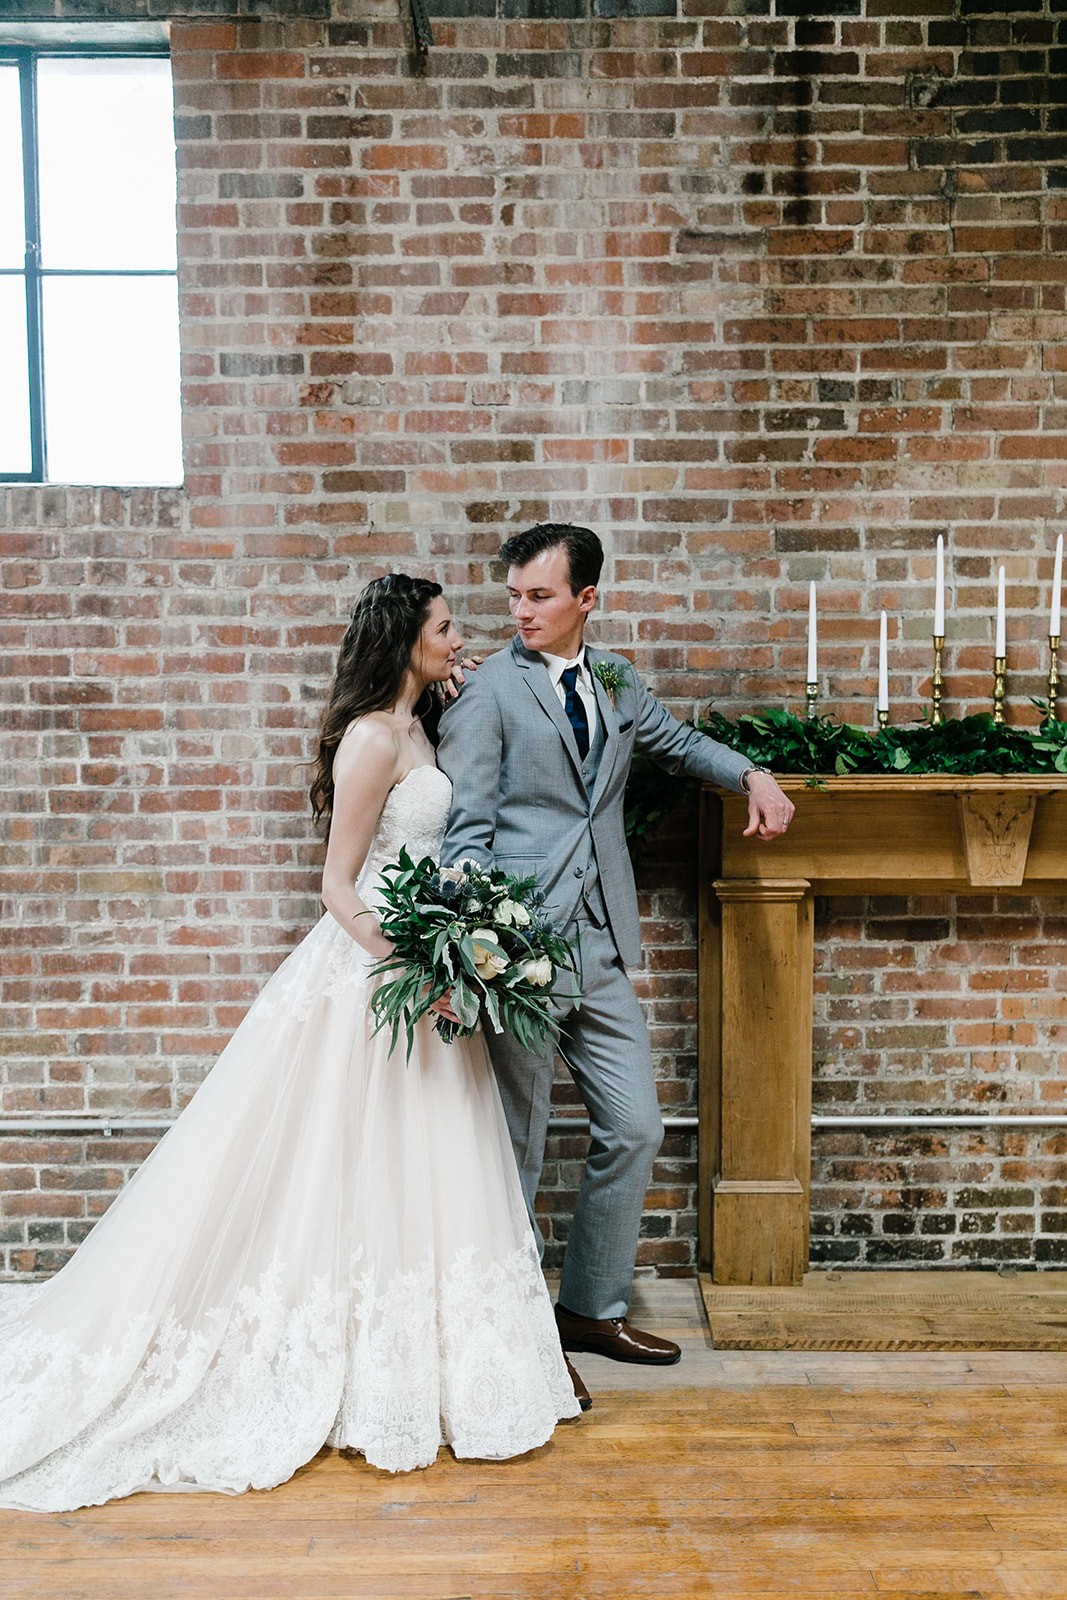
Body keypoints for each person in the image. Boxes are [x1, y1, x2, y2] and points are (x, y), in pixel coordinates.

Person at [0, 573, 580, 1515]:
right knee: (335, 1162)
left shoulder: (423, 718)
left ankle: (413, 1363)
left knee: (415, 1165)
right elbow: (338, 887)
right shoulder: (371, 738)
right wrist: (421, 967)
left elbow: (432, 822)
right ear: (404, 641)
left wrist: (459, 941)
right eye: (444, 628)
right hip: (375, 975)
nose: (459, 637)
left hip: (430, 966)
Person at [437, 524, 794, 1371]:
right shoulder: (487, 692)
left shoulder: (616, 678)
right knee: (516, 1146)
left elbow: (676, 743)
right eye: (514, 595)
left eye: (539, 596)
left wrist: (752, 773)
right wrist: (471, 947)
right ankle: (511, 1335)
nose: (519, 612)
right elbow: (466, 830)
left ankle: (588, 1312)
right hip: (515, 948)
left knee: (636, 1125)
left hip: (597, 938)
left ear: (585, 599)